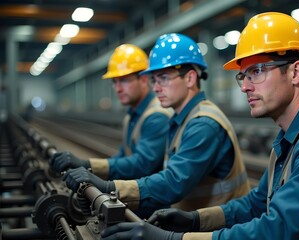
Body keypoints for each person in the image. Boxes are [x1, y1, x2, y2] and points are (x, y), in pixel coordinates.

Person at [100, 12, 299, 240]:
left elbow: (280, 232)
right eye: (243, 75)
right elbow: (256, 204)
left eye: (257, 71)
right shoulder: (295, 135)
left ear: (296, 72)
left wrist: (177, 238)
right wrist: (196, 219)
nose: (245, 86)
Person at [62, 33, 250, 217]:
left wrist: (109, 187)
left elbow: (174, 182)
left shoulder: (203, 124)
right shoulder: (182, 118)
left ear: (190, 79)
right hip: (193, 220)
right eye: (155, 80)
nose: (156, 88)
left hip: (219, 228)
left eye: (164, 78)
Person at [50, 44, 171, 181]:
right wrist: (90, 169)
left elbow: (141, 164)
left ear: (143, 80)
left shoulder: (157, 116)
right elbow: (123, 156)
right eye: (115, 82)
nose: (117, 88)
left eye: (124, 80)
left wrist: (88, 165)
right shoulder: (132, 115)